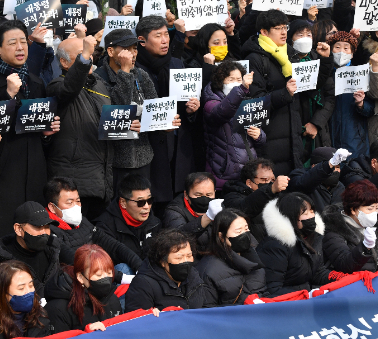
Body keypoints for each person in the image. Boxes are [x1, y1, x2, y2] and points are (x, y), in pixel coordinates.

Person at [0, 20, 60, 244]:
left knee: (35, 233)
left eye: (24, 41)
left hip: (34, 168)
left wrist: (46, 133)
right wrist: (8, 95)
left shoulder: (36, 82)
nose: (20, 48)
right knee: (2, 235)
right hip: (3, 168)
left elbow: (37, 128)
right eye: (12, 43)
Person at [47, 34, 115, 220]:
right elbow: (69, 88)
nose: (89, 58)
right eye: (82, 55)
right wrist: (84, 56)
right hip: (74, 181)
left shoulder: (99, 84)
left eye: (90, 54)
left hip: (102, 178)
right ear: (64, 62)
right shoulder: (56, 85)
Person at [135, 15, 195, 206]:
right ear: (142, 41)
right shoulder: (133, 68)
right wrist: (159, 124)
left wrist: (192, 109)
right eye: (158, 35)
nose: (164, 40)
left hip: (177, 146)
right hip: (147, 147)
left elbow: (186, 103)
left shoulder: (176, 64)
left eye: (166, 35)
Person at [95, 30, 159, 188]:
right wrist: (124, 72)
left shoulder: (141, 74)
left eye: (135, 49)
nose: (133, 54)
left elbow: (154, 108)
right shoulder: (98, 78)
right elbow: (118, 109)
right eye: (127, 49)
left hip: (143, 157)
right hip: (114, 161)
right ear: (110, 51)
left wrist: (166, 122)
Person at [244, 10, 302, 175]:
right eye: (278, 28)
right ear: (264, 32)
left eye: (285, 27)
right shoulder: (255, 58)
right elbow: (255, 100)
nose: (284, 32)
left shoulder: (289, 53)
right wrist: (285, 94)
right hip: (270, 133)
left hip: (292, 130)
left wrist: (324, 60)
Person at [44, 177, 142, 272]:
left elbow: (113, 245)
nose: (76, 206)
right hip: (77, 281)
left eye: (78, 201)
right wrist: (121, 278)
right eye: (70, 203)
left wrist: (139, 266)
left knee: (125, 267)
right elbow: (78, 262)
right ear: (52, 207)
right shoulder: (48, 231)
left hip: (101, 273)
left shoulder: (83, 222)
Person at [202, 61, 265, 189]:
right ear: (220, 81)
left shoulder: (247, 103)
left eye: (238, 79)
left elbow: (261, 137)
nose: (236, 83)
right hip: (224, 173)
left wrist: (259, 135)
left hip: (248, 171)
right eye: (231, 79)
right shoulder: (211, 103)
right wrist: (241, 89)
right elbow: (222, 111)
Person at [257, 193, 332, 296]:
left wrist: (341, 277)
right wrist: (308, 294)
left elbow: (318, 273)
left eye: (312, 211)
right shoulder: (275, 245)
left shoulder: (314, 238)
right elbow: (272, 289)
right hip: (287, 304)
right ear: (291, 216)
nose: (311, 216)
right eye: (305, 213)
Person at [125, 229, 213, 312]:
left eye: (189, 256)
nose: (186, 261)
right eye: (179, 258)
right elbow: (136, 320)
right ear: (163, 262)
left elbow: (205, 309)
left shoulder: (194, 276)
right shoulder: (143, 284)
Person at [0, 202, 61, 298]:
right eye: (38, 227)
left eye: (47, 227)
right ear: (18, 228)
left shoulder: (52, 248)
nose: (44, 232)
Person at [196, 209, 267, 305]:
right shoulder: (209, 269)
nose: (244, 234)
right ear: (221, 236)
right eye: (238, 231)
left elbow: (263, 291)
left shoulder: (253, 256)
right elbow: (208, 310)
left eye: (246, 229)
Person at [45, 244, 122, 333]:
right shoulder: (58, 308)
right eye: (98, 275)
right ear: (81, 278)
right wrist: (86, 334)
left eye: (109, 273)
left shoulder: (112, 299)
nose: (106, 279)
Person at [321, 179, 378, 273]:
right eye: (370, 209)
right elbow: (344, 265)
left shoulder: (370, 226)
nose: (374, 213)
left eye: (376, 208)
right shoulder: (334, 230)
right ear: (353, 210)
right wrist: (364, 247)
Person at [288, 20, 335, 162]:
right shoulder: (284, 62)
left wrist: (316, 123)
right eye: (299, 34)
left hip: (318, 131)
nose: (304, 38)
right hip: (294, 128)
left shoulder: (319, 59)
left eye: (308, 34)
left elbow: (330, 97)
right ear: (291, 39)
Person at [95, 173, 162, 264]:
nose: (146, 206)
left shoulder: (155, 223)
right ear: (123, 202)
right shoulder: (105, 227)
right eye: (140, 202)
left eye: (149, 200)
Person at [328, 30, 373, 159]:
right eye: (337, 47)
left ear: (352, 54)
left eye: (346, 48)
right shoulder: (325, 76)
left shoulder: (360, 75)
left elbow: (370, 109)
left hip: (355, 142)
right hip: (330, 138)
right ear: (331, 50)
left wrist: (361, 104)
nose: (342, 52)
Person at [221, 158, 288, 241]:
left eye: (273, 180)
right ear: (249, 183)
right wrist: (270, 189)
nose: (270, 183)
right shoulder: (232, 196)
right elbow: (243, 209)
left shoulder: (276, 196)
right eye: (264, 180)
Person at [289, 147, 349, 213]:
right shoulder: (301, 177)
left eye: (337, 167)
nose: (335, 171)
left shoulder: (340, 187)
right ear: (314, 166)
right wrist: (327, 166)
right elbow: (301, 184)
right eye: (332, 166)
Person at [163, 172, 222, 238]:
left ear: (214, 193)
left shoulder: (218, 207)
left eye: (209, 195)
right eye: (198, 195)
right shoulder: (174, 211)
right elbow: (178, 237)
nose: (204, 199)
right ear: (186, 194)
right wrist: (207, 218)